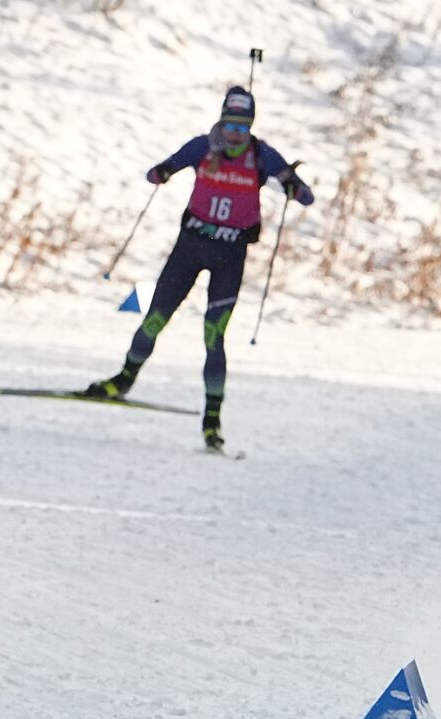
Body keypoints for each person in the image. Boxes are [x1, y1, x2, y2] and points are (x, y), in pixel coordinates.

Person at [85, 86, 314, 450]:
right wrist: (162, 172)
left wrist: (290, 185)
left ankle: (212, 421)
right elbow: (157, 171)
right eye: (230, 125)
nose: (235, 134)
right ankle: (122, 380)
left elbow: (306, 197)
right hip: (190, 248)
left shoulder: (261, 155)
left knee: (213, 336)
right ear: (221, 121)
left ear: (251, 127)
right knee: (155, 318)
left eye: (242, 127)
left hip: (230, 257)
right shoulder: (202, 146)